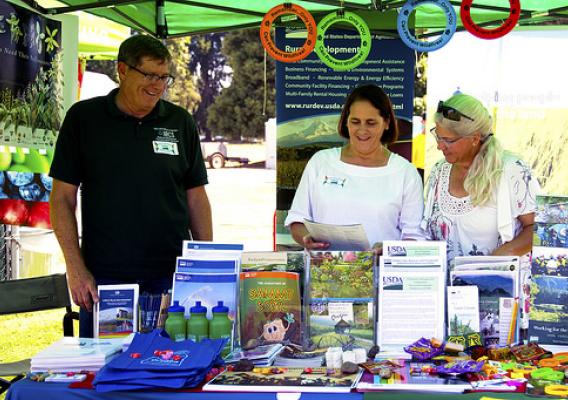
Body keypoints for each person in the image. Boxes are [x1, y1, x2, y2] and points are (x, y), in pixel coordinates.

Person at [49, 35, 212, 337]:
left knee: (169, 367)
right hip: (106, 280)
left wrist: (206, 262)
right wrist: (75, 267)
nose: (157, 86)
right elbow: (61, 199)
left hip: (172, 276)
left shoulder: (180, 122)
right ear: (122, 70)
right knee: (104, 371)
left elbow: (196, 198)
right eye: (149, 75)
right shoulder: (84, 120)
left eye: (164, 77)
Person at [285, 84, 424, 250]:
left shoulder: (405, 172)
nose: (362, 130)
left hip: (382, 273)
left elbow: (414, 237)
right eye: (355, 122)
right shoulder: (321, 162)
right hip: (324, 272)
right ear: (346, 122)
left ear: (387, 123)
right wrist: (306, 238)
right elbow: (296, 220)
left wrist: (389, 251)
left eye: (371, 123)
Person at [422, 93, 539, 262]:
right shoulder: (439, 171)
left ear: (475, 138)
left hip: (500, 285)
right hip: (447, 286)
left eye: (448, 140)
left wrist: (490, 264)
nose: (440, 146)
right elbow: (426, 232)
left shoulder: (512, 170)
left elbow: (536, 228)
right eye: (437, 136)